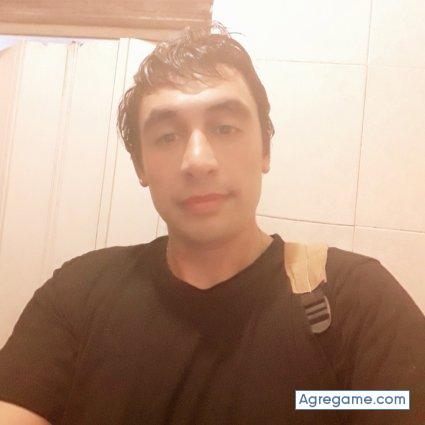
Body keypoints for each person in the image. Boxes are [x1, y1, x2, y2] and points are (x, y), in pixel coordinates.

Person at [0, 23, 424, 425]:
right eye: (167, 136)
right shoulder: (77, 295)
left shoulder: (356, 302)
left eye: (224, 127)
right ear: (140, 166)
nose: (198, 160)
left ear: (265, 151)